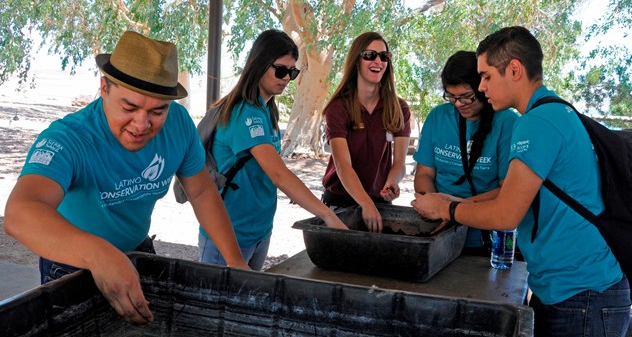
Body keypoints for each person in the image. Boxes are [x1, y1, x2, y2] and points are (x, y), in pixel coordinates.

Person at [3, 31, 249, 325]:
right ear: (104, 87)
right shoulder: (69, 139)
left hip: (137, 249)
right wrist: (99, 255)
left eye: (158, 111)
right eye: (129, 107)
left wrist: (235, 262)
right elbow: (20, 214)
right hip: (72, 261)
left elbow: (201, 193)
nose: (142, 124)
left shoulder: (179, 124)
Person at [411, 26, 630, 336]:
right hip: (568, 289)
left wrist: (447, 210)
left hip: (581, 295)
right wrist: (452, 202)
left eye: (486, 76)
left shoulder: (535, 123)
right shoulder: (555, 111)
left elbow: (506, 213)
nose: (482, 87)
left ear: (514, 69)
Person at [198, 29, 348, 271]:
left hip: (258, 230)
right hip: (229, 235)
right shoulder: (245, 113)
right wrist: (329, 217)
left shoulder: (265, 110)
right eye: (280, 70)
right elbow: (279, 174)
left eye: (292, 72)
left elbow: (265, 170)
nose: (287, 78)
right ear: (259, 64)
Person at [413, 51, 517, 254]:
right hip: (440, 235)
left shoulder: (507, 122)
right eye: (451, 97)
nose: (458, 104)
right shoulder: (437, 117)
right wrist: (432, 205)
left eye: (466, 97)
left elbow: (507, 191)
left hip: (489, 241)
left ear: (482, 88)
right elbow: (424, 174)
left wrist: (451, 209)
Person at [321, 31, 411, 233]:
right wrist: (365, 203)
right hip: (340, 204)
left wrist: (392, 183)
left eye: (384, 56)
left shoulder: (399, 109)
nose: (378, 61)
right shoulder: (338, 108)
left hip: (380, 206)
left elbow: (399, 164)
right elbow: (343, 166)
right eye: (370, 55)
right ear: (356, 60)